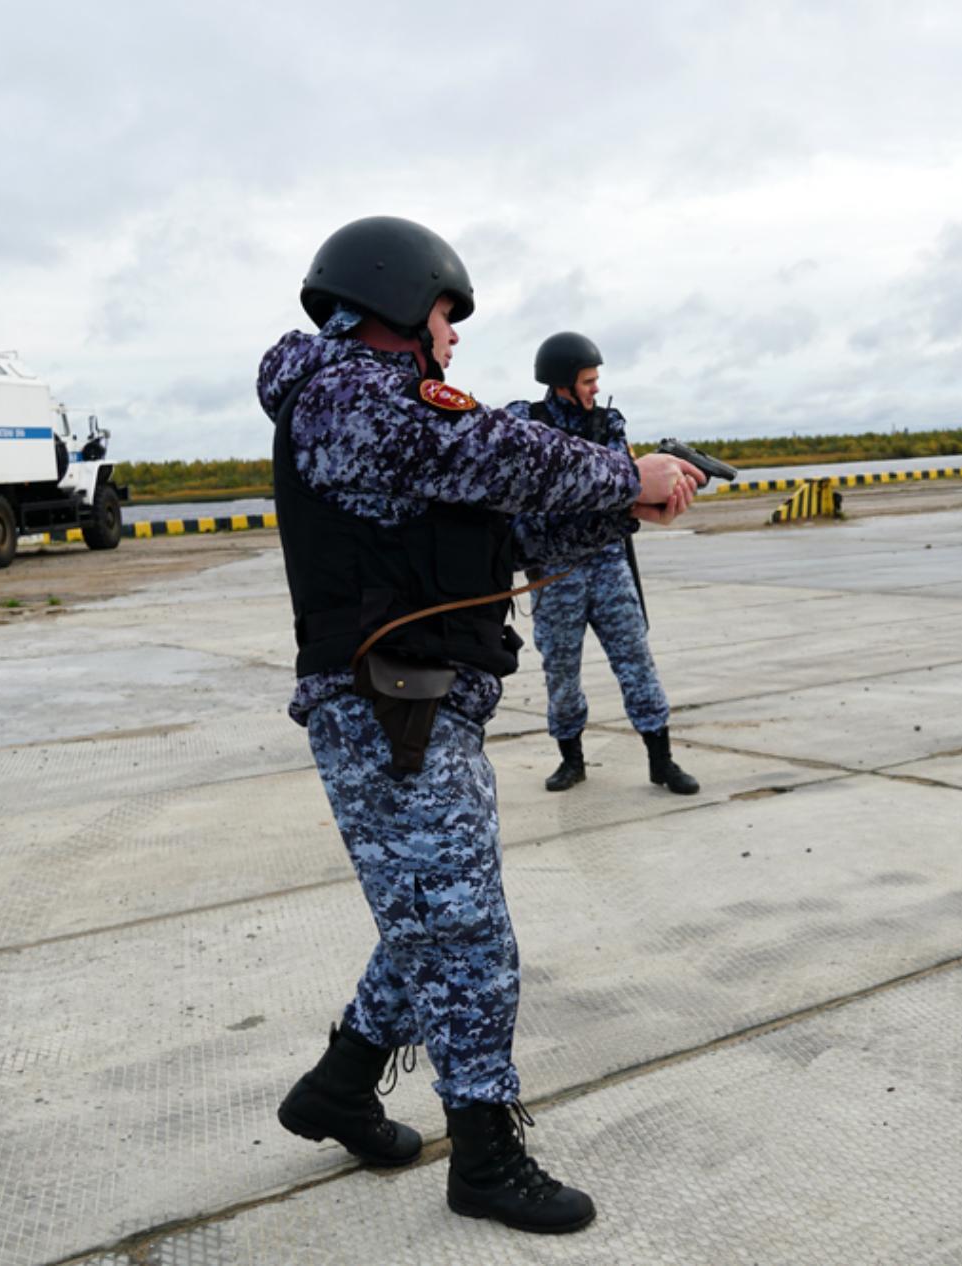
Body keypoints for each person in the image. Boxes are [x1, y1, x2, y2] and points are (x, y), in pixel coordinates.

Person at [256, 216, 701, 1234]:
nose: (452, 341)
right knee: (467, 936)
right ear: (404, 302)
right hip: (382, 707)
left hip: (416, 702)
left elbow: (503, 515)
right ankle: (486, 1154)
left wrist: (629, 504)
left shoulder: (376, 411)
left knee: (430, 918)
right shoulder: (343, 393)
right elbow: (488, 447)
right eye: (448, 318)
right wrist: (623, 473)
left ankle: (339, 1084)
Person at [509, 331, 700, 796]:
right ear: (560, 383)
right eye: (587, 380)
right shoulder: (526, 422)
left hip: (609, 563)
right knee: (561, 669)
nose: (596, 388)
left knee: (635, 659)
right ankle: (570, 760)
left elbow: (623, 488)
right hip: (556, 573)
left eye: (597, 380)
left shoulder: (608, 424)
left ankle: (662, 760)